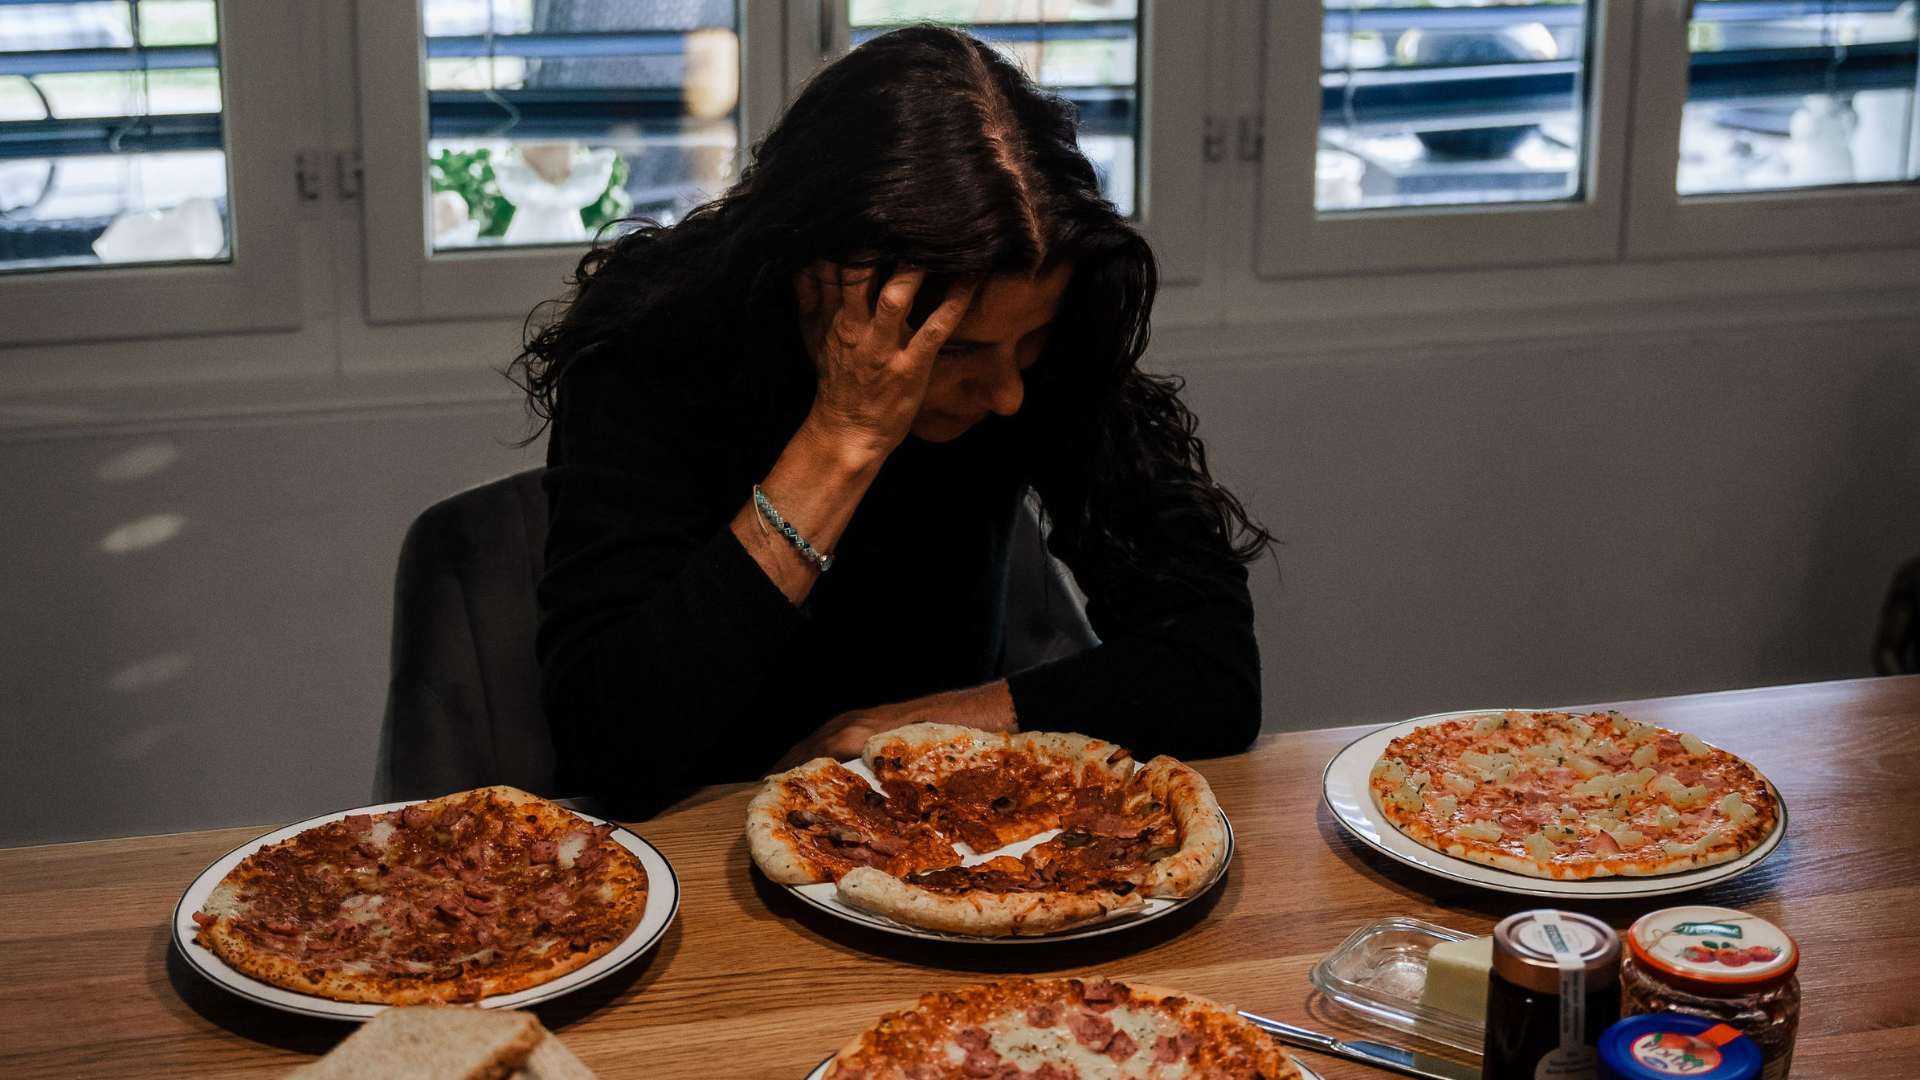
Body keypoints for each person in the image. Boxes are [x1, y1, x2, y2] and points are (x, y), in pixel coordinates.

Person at [512, 26, 1272, 820]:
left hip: (934, 828)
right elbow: (614, 748)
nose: (1009, 393)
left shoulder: (1035, 353)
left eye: (1031, 344)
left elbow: (1212, 666)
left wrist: (921, 725)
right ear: (819, 282)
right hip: (691, 839)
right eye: (960, 352)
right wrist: (843, 440)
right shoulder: (656, 344)